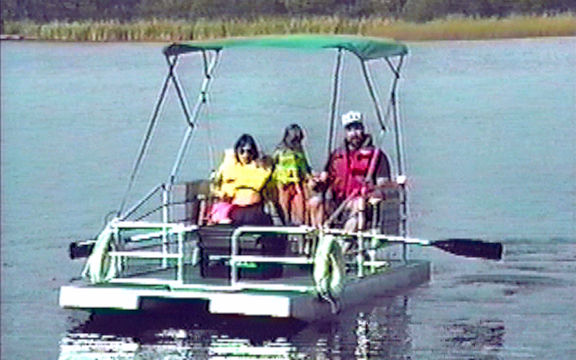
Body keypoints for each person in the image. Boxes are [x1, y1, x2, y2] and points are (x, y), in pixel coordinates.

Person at [320, 111, 393, 231]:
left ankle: (345, 241)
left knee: (358, 204)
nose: (354, 133)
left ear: (363, 129)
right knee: (315, 202)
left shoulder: (376, 155)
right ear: (345, 132)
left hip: (364, 204)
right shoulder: (336, 155)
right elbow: (326, 177)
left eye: (357, 128)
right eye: (350, 130)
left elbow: (383, 183)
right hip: (338, 202)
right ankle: (314, 240)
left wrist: (375, 192)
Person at [210, 134, 273, 226]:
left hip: (254, 209)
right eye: (242, 151)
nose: (245, 155)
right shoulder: (231, 166)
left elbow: (268, 168)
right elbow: (217, 186)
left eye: (249, 151)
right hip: (235, 209)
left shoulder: (260, 167)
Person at [271, 124, 312, 225]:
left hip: (298, 183)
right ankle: (284, 228)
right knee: (284, 211)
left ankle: (298, 228)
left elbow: (305, 166)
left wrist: (310, 177)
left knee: (301, 210)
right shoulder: (280, 150)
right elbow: (272, 164)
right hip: (283, 183)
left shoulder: (300, 150)